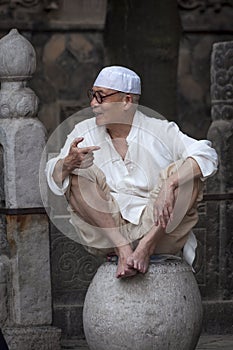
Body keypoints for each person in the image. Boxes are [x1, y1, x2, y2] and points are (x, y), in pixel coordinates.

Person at [45, 66, 218, 279]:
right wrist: (69, 163)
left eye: (101, 97)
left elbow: (206, 154)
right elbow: (52, 173)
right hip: (107, 234)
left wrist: (170, 184)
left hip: (159, 231)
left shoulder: (160, 130)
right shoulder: (83, 131)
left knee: (188, 173)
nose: (93, 104)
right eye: (92, 95)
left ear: (127, 101)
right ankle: (125, 250)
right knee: (75, 173)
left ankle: (146, 246)